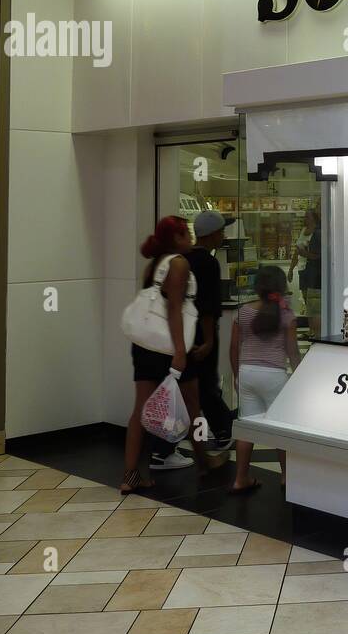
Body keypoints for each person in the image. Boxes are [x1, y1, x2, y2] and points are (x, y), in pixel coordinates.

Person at [122, 215, 225, 494]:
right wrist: (180, 351)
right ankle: (204, 461)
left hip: (145, 346)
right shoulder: (179, 264)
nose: (191, 237)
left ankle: (130, 475)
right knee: (193, 407)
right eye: (185, 233)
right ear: (176, 237)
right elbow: (174, 310)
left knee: (140, 409)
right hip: (169, 348)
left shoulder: (154, 265)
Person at [149, 209, 234, 472]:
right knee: (202, 389)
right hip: (196, 336)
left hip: (171, 337)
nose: (224, 235)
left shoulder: (169, 261)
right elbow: (207, 306)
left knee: (179, 391)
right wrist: (208, 340)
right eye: (222, 230)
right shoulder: (206, 263)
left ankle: (165, 448)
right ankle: (218, 436)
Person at [229, 266, 300, 494]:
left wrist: (236, 375)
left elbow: (233, 348)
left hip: (247, 373)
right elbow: (292, 352)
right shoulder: (286, 315)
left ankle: (240, 479)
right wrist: (299, 377)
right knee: (280, 429)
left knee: (247, 428)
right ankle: (286, 477)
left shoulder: (242, 312)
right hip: (274, 376)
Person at [288, 208, 322, 338]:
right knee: (307, 301)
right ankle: (311, 328)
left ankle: (315, 329)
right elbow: (297, 252)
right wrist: (291, 269)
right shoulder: (303, 231)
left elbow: (317, 255)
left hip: (311, 270)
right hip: (302, 269)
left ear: (314, 218)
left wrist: (305, 253)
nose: (305, 219)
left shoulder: (317, 233)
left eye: (307, 217)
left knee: (312, 301)